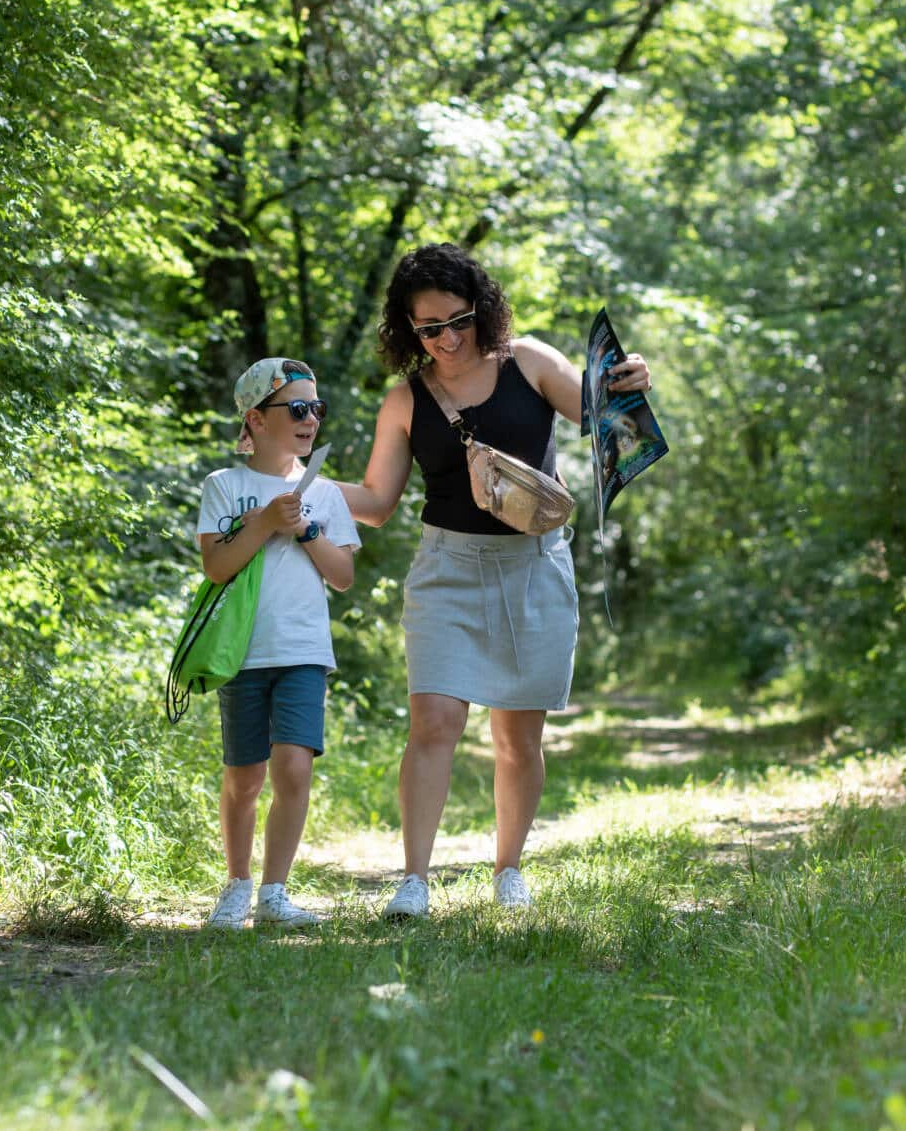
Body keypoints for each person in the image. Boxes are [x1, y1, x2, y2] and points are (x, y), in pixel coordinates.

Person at [338, 243, 651, 918]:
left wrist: (630, 379)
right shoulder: (405, 400)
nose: (448, 338)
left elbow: (603, 416)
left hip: (534, 566)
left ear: (482, 308)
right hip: (446, 571)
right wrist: (295, 490)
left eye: (459, 320)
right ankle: (414, 880)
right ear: (408, 328)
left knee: (518, 737)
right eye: (430, 328)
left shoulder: (529, 361)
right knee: (435, 723)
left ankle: (508, 868)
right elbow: (376, 499)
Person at [197, 358, 360, 929]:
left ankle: (274, 892)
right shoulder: (225, 486)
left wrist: (307, 529)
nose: (310, 418)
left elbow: (341, 575)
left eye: (316, 408)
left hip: (304, 652)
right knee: (245, 777)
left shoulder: (327, 494)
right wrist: (264, 523)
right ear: (256, 420)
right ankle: (237, 885)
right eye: (296, 408)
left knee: (294, 768)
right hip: (241, 652)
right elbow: (217, 566)